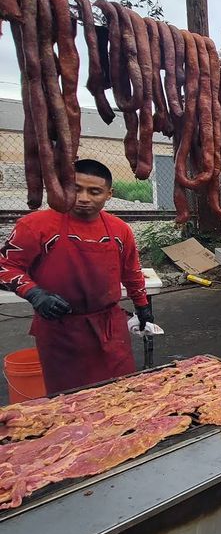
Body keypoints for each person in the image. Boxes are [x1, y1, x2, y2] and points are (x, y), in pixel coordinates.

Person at [0, 159, 153, 395]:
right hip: (60, 331)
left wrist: (142, 306)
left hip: (110, 327)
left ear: (109, 194)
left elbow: (131, 272)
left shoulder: (120, 230)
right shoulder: (34, 226)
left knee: (122, 392)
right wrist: (34, 293)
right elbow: (5, 265)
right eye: (76, 188)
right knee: (70, 401)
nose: (84, 198)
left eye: (94, 192)